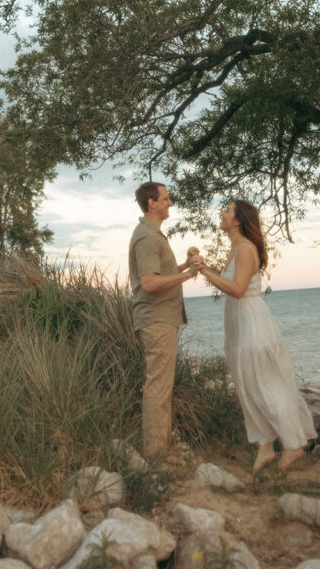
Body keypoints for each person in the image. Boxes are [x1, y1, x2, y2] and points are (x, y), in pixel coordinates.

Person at [193, 199, 316, 471]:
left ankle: (293, 445)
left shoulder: (246, 249)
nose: (222, 214)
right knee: (248, 386)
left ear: (238, 220)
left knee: (267, 386)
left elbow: (237, 289)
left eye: (227, 211)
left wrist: (205, 271)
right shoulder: (236, 247)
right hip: (239, 322)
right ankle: (265, 446)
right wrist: (206, 268)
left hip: (252, 323)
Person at [128, 181, 199, 460]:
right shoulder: (147, 237)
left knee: (161, 385)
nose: (170, 203)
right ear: (152, 203)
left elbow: (159, 274)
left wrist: (183, 265)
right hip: (156, 321)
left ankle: (161, 449)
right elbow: (149, 283)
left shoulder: (153, 234)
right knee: (158, 386)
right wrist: (187, 275)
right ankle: (156, 455)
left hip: (161, 319)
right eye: (166, 198)